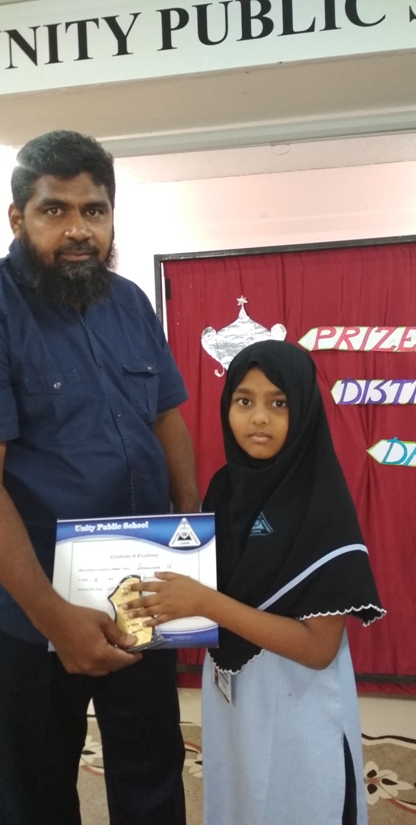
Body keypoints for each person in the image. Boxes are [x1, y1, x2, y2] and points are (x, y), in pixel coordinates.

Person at [0, 130, 200, 825]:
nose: (78, 230)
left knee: (152, 765)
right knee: (38, 789)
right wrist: (53, 617)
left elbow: (166, 420)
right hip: (18, 600)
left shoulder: (130, 303)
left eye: (93, 210)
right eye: (54, 210)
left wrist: (192, 538)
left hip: (135, 579)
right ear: (17, 218)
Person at [123, 339, 385, 825]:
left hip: (302, 701)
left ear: (304, 409)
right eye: (244, 401)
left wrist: (205, 602)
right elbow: (195, 588)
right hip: (233, 692)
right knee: (240, 796)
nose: (259, 418)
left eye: (279, 403)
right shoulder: (225, 488)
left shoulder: (323, 506)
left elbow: (317, 649)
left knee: (301, 802)